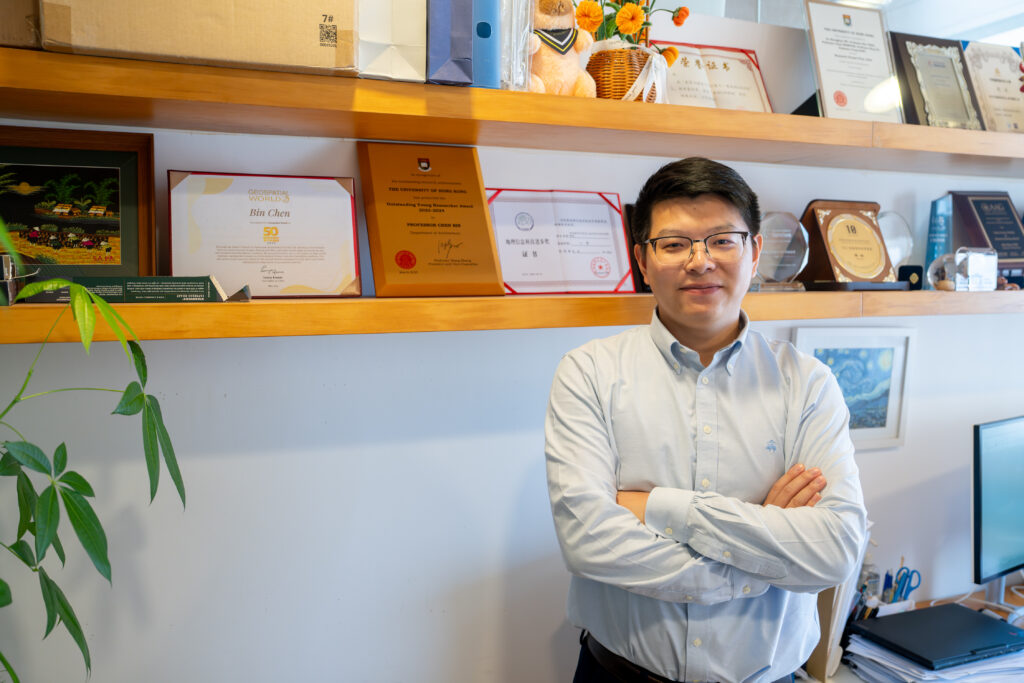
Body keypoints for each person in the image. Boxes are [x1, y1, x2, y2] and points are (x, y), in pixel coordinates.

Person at [544, 157, 867, 683]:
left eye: (722, 240)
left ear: (754, 251)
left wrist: (659, 507)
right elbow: (588, 543)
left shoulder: (808, 383)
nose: (700, 262)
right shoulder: (589, 373)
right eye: (674, 244)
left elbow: (834, 551)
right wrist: (759, 560)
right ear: (642, 261)